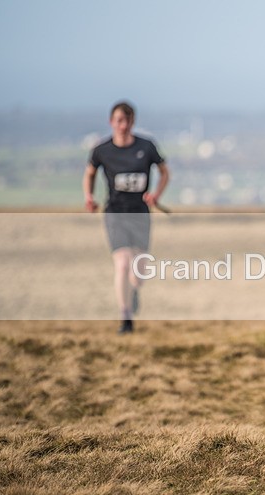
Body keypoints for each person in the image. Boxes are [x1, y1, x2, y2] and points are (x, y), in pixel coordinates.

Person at [83, 101, 170, 334]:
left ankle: (134, 291)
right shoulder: (102, 150)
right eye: (119, 121)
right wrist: (88, 197)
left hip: (140, 214)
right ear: (111, 122)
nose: (123, 125)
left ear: (133, 122)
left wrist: (156, 194)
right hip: (115, 214)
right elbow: (89, 173)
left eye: (127, 121)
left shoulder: (146, 146)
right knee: (122, 264)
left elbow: (164, 172)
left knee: (138, 273)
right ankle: (126, 317)